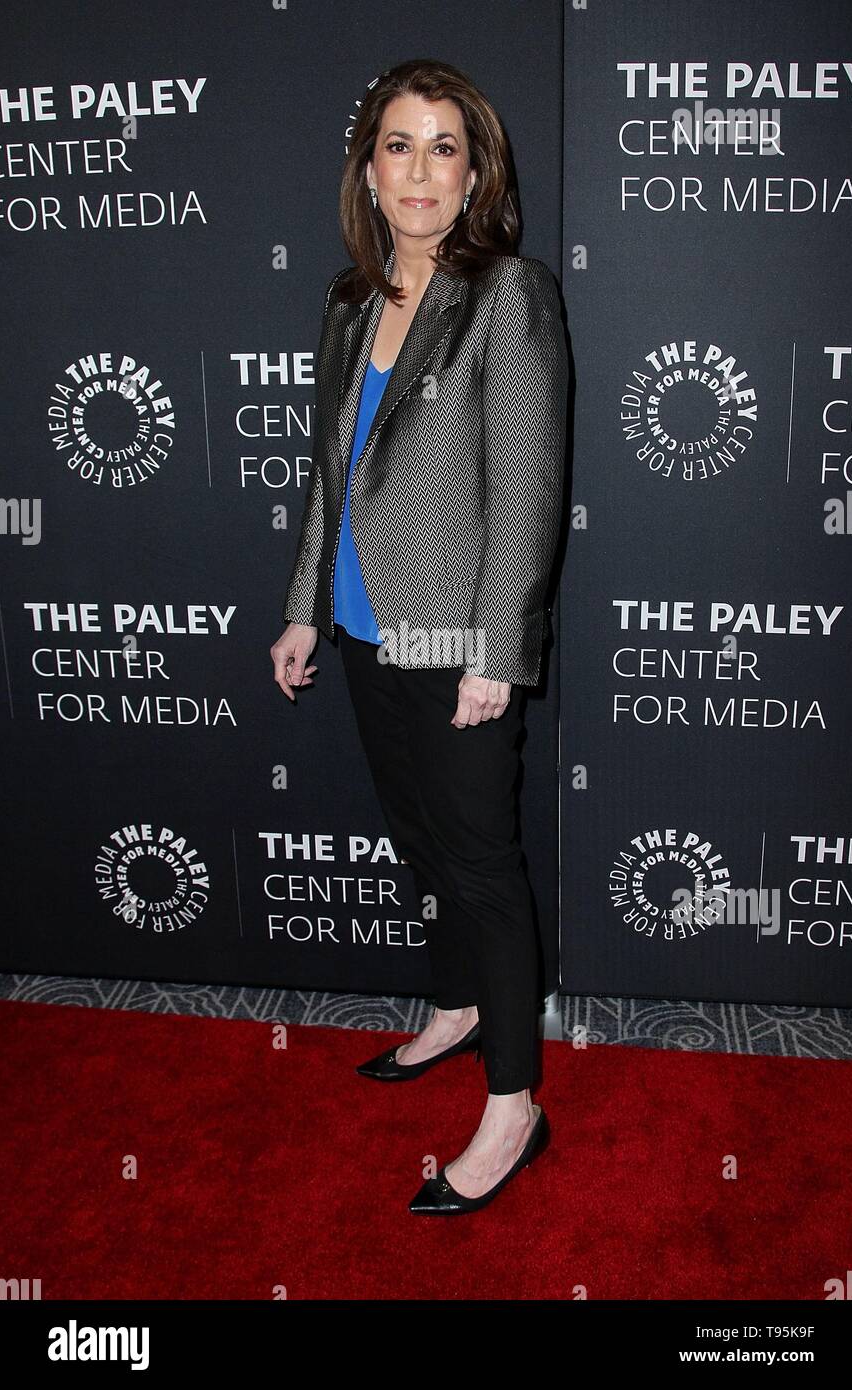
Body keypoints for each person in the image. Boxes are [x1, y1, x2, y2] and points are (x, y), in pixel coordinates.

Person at [270, 58, 568, 1214]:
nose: (420, 168)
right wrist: (304, 607)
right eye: (398, 142)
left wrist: (496, 648)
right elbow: (328, 480)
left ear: (475, 168)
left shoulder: (508, 294)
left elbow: (528, 488)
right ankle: (452, 1008)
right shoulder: (351, 301)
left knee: (480, 866)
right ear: (369, 166)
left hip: (454, 636)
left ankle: (513, 1106)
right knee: (422, 844)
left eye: (445, 145)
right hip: (360, 627)